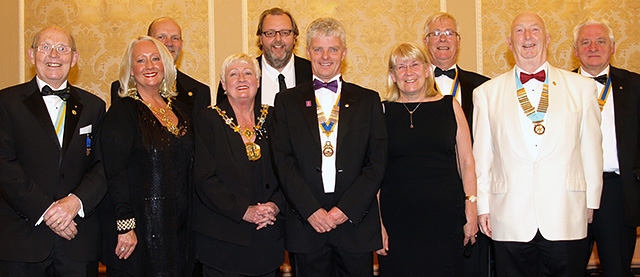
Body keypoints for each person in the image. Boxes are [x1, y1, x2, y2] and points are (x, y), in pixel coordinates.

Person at [473, 11, 603, 276]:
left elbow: (591, 149)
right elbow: (483, 157)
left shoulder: (582, 88)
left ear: (548, 39)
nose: (528, 36)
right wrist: (483, 206)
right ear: (509, 43)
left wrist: (591, 201)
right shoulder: (486, 93)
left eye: (535, 30)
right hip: (509, 216)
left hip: (566, 213)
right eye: (519, 31)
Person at [270, 17, 387, 277]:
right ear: (307, 51)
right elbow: (282, 161)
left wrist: (345, 210)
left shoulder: (368, 100)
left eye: (333, 49)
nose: (325, 56)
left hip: (355, 222)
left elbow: (377, 162)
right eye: (318, 49)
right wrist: (310, 210)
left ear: (344, 53)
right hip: (307, 223)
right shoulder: (287, 101)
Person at [0, 26, 106, 276]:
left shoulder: (94, 106)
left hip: (77, 241)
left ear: (75, 58)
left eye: (62, 48)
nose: (54, 55)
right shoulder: (6, 103)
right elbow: (4, 164)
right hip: (22, 242)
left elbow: (102, 166)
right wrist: (48, 211)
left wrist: (73, 203)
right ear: (31, 55)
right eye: (45, 47)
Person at [375, 42, 477, 276]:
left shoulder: (450, 106)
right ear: (392, 75)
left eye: (414, 65)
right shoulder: (381, 112)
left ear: (427, 69)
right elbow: (375, 172)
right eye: (401, 67)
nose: (409, 72)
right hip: (397, 223)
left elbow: (467, 162)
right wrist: (376, 223)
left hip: (446, 220)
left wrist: (471, 205)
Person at [99, 36, 194, 276]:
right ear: (131, 70)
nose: (150, 66)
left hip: (181, 231)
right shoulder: (123, 111)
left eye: (155, 59)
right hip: (140, 233)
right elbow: (115, 174)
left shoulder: (181, 109)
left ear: (166, 65)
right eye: (141, 60)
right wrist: (125, 226)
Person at [193, 53, 285, 277]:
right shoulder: (208, 120)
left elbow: (289, 170)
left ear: (258, 80)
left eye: (248, 73)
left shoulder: (274, 118)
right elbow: (204, 178)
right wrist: (243, 210)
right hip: (223, 241)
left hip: (267, 236)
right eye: (233, 74)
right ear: (224, 84)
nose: (242, 79)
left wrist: (275, 205)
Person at [423, 13, 491, 276]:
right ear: (426, 42)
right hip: (428, 195)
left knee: (469, 265)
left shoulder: (483, 87)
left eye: (449, 33)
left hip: (472, 193)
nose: (443, 39)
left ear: (459, 41)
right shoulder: (411, 87)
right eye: (436, 34)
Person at [573, 18, 640, 277]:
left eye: (600, 41)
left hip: (616, 193)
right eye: (585, 42)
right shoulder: (558, 87)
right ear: (575, 51)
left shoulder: (634, 86)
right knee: (567, 268)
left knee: (617, 270)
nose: (593, 47)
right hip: (572, 191)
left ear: (612, 47)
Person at [111, 17, 211, 117]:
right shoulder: (122, 89)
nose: (169, 43)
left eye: (175, 38)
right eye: (161, 37)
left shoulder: (201, 92)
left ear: (181, 44)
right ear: (149, 41)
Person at [215, 7, 312, 106]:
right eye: (270, 33)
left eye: (285, 33)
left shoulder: (312, 73)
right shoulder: (236, 81)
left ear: (294, 37)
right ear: (260, 39)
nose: (278, 39)